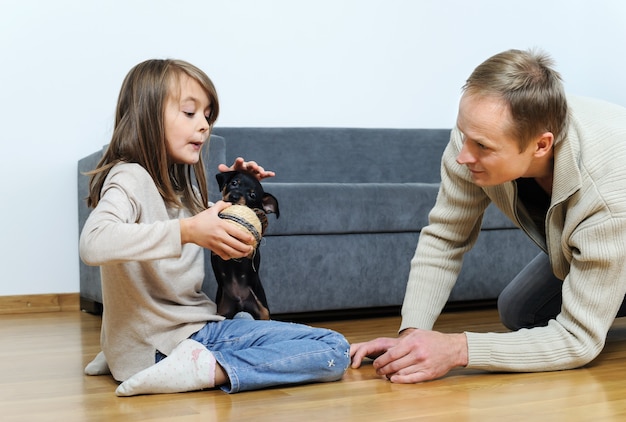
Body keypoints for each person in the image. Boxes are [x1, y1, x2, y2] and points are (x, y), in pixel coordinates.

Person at [350, 48, 626, 383]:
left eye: (482, 146)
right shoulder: (475, 137)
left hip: (617, 215)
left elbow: (578, 341)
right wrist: (412, 338)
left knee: (575, 325)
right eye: (464, 135)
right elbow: (445, 236)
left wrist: (457, 349)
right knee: (522, 309)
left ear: (541, 145)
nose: (463, 156)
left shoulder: (608, 195)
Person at [80, 58, 349, 396]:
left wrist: (242, 189)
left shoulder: (180, 187)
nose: (204, 125)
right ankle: (206, 369)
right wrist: (188, 232)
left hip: (155, 338)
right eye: (190, 113)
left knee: (246, 324)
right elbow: (93, 242)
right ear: (146, 116)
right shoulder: (129, 177)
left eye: (207, 116)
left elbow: (212, 224)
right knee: (333, 348)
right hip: (178, 338)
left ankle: (126, 348)